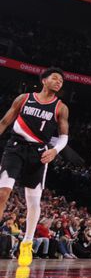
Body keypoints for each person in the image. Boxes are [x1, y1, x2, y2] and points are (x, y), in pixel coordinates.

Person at [0, 67, 70, 267]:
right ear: (44, 80)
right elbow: (5, 121)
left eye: (61, 81)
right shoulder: (24, 98)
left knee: (33, 201)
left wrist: (55, 150)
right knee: (3, 192)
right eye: (55, 78)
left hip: (39, 153)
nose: (59, 82)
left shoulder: (61, 107)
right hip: (15, 147)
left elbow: (64, 137)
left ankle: (27, 241)